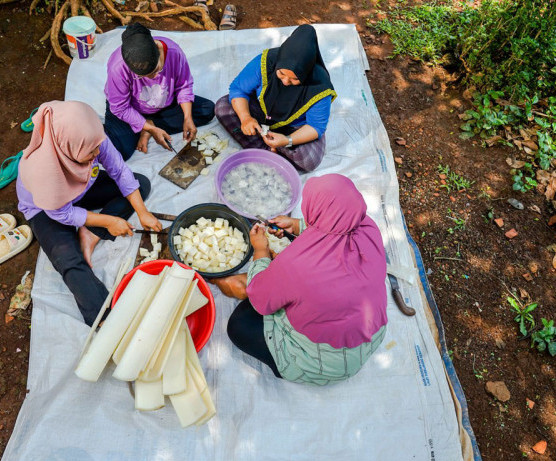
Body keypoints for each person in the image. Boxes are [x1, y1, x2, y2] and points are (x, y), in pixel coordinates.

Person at [222, 174, 388, 385]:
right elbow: (336, 226)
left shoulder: (297, 265)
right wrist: (299, 226)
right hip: (368, 337)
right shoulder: (368, 227)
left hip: (322, 364)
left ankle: (292, 364)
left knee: (240, 324)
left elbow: (260, 300)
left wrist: (261, 249)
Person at [16, 100, 162, 326]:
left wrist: (142, 212)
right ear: (68, 150)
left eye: (97, 147)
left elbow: (119, 170)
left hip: (81, 188)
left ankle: (89, 233)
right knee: (69, 260)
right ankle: (105, 318)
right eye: (90, 152)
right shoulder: (43, 170)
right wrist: (108, 220)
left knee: (139, 184)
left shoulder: (91, 138)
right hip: (47, 209)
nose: (97, 154)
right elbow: (61, 214)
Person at [215, 24, 336, 172]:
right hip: (261, 112)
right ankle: (268, 150)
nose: (285, 82)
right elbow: (238, 89)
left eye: (294, 79)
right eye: (281, 74)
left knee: (309, 160)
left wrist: (287, 140)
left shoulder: (320, 87)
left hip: (295, 127)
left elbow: (315, 127)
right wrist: (246, 118)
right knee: (222, 107)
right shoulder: (266, 62)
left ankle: (267, 148)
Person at [104, 23, 215, 160]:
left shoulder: (174, 52)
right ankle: (145, 125)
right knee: (117, 151)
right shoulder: (118, 67)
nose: (153, 78)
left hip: (163, 105)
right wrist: (149, 128)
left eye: (156, 70)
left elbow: (183, 85)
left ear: (158, 49)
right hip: (130, 109)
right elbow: (120, 107)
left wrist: (187, 117)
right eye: (143, 76)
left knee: (207, 109)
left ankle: (148, 124)